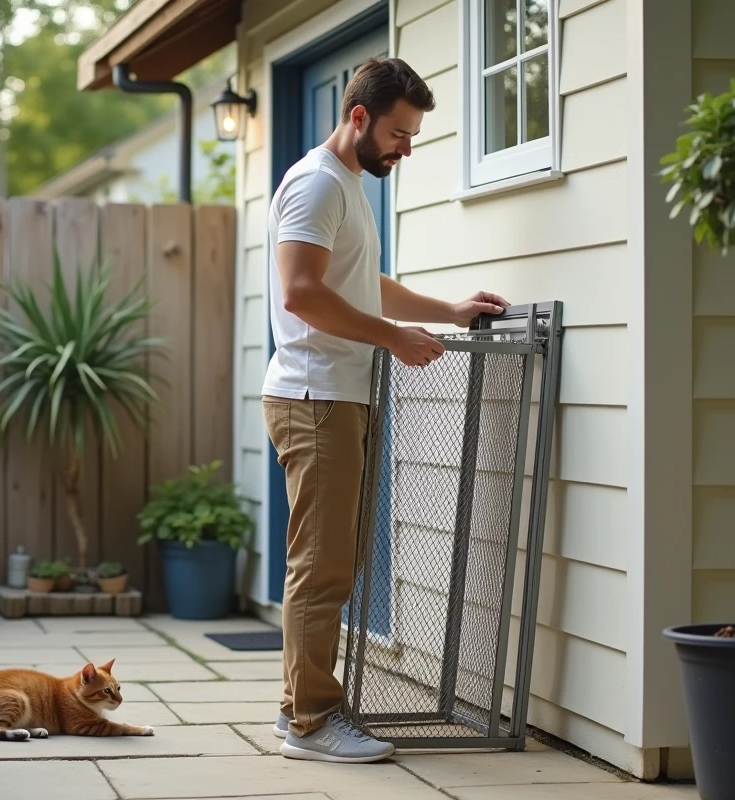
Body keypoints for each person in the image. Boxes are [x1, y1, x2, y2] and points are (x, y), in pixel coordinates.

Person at [261, 56, 510, 764]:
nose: (407, 147)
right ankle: (308, 722)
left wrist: (446, 311)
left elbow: (360, 283)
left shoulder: (345, 183)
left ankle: (304, 712)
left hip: (339, 394)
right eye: (401, 133)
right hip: (316, 397)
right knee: (321, 565)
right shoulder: (316, 184)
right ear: (360, 117)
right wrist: (392, 339)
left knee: (336, 561)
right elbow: (303, 292)